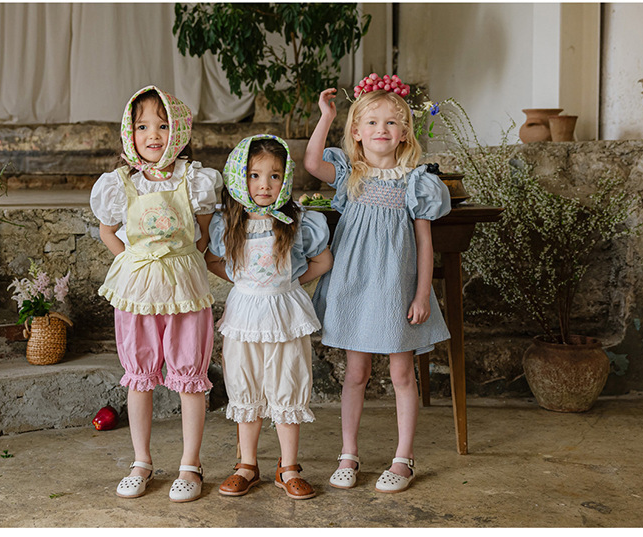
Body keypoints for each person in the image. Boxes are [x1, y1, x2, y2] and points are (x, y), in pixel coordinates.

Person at [304, 80, 451, 493]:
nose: (381, 129)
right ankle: (348, 453)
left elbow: (425, 242)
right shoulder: (350, 174)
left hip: (396, 289)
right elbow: (312, 163)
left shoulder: (415, 181)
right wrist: (326, 117)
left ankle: (403, 458)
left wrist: (421, 294)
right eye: (371, 122)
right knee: (356, 373)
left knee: (402, 373)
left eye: (391, 122)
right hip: (355, 286)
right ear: (356, 131)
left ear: (404, 132)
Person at [89, 85, 221, 503]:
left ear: (178, 130)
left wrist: (181, 260)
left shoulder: (195, 180)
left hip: (184, 288)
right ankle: (141, 461)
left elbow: (203, 233)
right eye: (142, 126)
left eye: (162, 126)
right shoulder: (120, 183)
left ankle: (190, 464)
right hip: (138, 289)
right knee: (139, 376)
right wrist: (133, 260)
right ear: (130, 133)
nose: (153, 135)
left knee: (189, 376)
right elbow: (107, 231)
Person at [205, 135, 333, 500]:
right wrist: (245, 283)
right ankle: (247, 464)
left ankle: (288, 466)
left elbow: (323, 261)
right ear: (239, 177)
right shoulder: (228, 223)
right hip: (244, 315)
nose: (265, 184)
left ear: (285, 178)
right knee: (245, 383)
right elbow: (213, 260)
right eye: (254, 175)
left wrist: (288, 284)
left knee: (287, 381)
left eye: (274, 176)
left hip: (285, 314)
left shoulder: (298, 221)